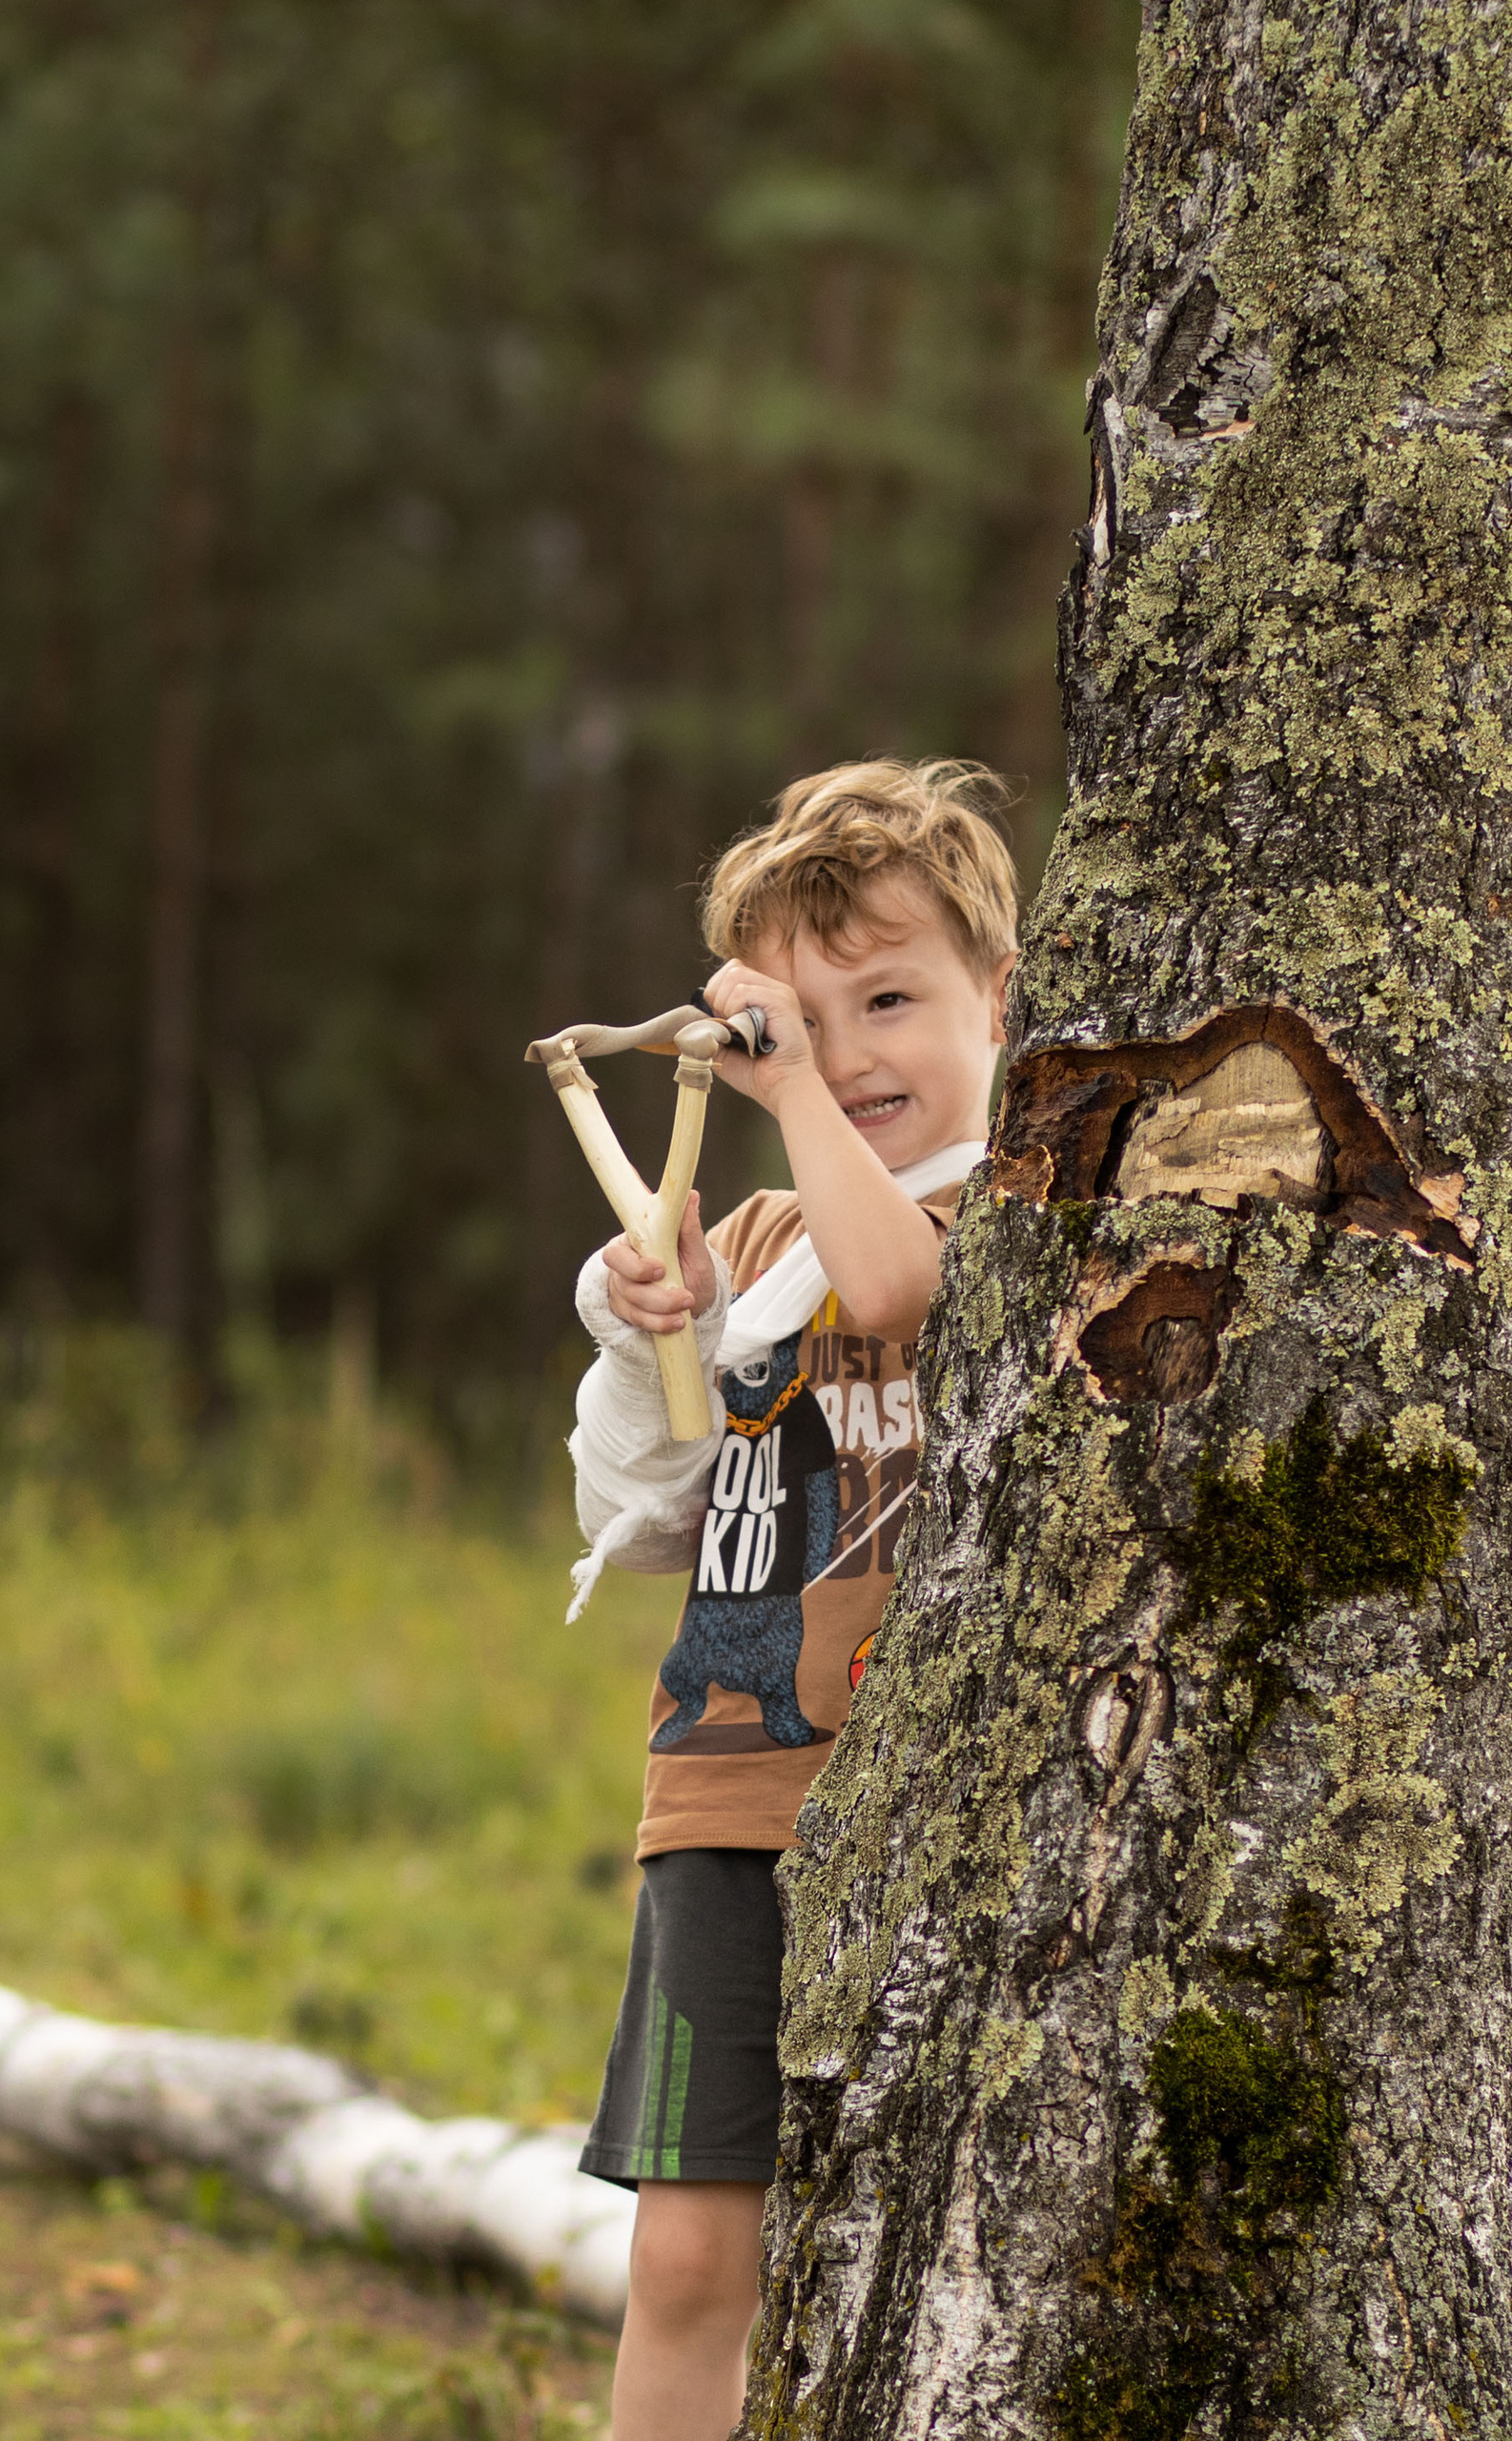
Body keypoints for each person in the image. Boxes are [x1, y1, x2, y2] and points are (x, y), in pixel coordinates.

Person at [566, 758, 1021, 2441]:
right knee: (691, 2265)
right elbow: (642, 1514)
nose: (843, 1057)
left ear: (1002, 993)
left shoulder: (1021, 1218)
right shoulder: (759, 1237)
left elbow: (902, 1290)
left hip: (941, 1813)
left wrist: (796, 1106)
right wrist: (645, 1326)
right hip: (731, 1795)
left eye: (887, 1000)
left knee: (945, 2251)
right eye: (797, 1019)